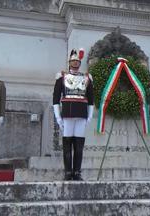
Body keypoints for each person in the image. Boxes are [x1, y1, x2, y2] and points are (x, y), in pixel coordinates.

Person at [53, 48, 94, 181]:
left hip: (81, 114)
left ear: (80, 63)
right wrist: (58, 117)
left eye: (77, 61)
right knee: (67, 144)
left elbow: (91, 99)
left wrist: (90, 115)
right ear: (69, 62)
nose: (75, 63)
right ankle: (67, 172)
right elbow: (55, 99)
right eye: (73, 61)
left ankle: (77, 172)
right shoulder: (62, 77)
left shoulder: (87, 78)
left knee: (79, 145)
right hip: (68, 114)